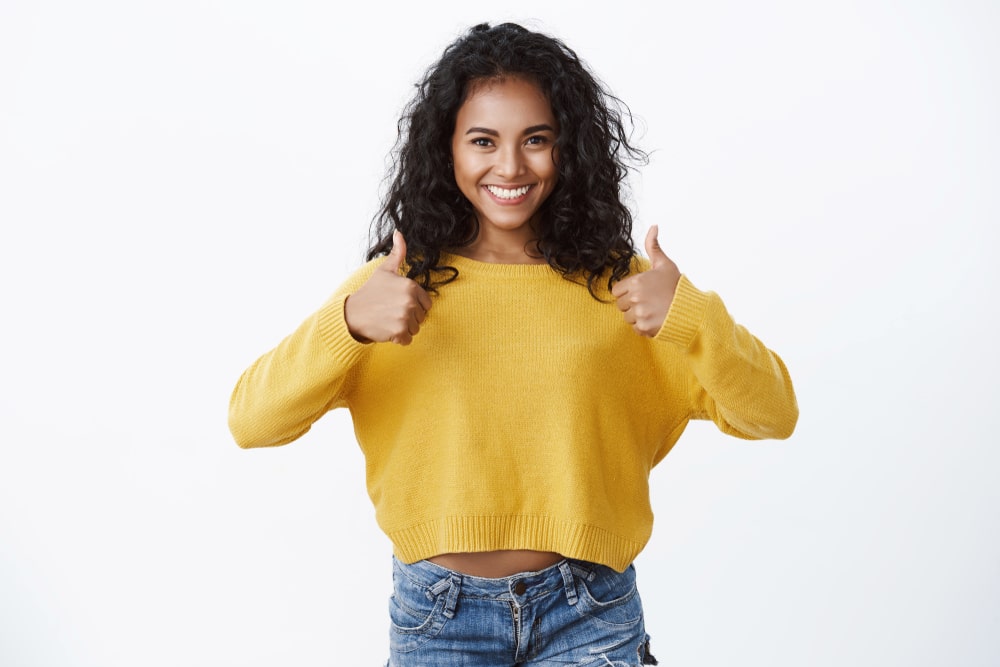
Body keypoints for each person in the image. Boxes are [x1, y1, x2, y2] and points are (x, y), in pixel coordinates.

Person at [228, 21, 798, 667]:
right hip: (438, 616)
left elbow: (773, 414)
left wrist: (691, 316)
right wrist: (350, 322)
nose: (510, 166)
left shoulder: (625, 286)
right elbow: (253, 422)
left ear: (570, 150)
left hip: (591, 613)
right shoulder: (390, 288)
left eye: (536, 140)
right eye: (482, 141)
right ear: (446, 150)